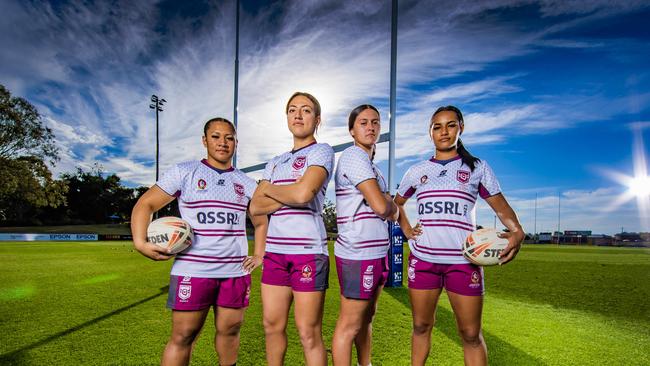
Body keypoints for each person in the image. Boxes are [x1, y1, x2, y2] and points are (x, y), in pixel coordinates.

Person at [393, 106, 524, 366]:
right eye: (437, 126)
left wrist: (517, 231)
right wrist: (407, 230)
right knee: (420, 326)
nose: (443, 131)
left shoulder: (476, 167)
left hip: (463, 262)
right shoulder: (417, 171)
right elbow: (396, 204)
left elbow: (500, 206)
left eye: (450, 125)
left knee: (470, 334)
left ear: (460, 128)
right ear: (430, 132)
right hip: (424, 260)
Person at [131, 117, 268, 366]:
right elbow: (145, 204)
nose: (222, 143)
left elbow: (260, 221)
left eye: (229, 138)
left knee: (230, 332)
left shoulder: (247, 184)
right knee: (183, 336)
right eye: (216, 136)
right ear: (205, 141)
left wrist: (259, 254)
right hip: (193, 271)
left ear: (236, 143)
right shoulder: (185, 172)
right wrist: (140, 242)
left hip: (235, 272)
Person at [249, 92, 335, 366]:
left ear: (317, 119)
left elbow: (303, 195)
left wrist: (268, 189)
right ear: (286, 117)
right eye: (292, 110)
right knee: (271, 326)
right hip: (275, 253)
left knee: (308, 333)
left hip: (308, 253)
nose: (298, 115)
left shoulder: (321, 151)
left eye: (306, 110)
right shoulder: (275, 161)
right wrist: (290, 190)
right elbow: (255, 209)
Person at [331, 104, 398, 366]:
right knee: (349, 325)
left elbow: (389, 208)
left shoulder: (374, 168)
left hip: (379, 252)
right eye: (363, 122)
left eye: (375, 122)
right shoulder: (353, 156)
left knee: (366, 319)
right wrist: (389, 204)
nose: (370, 127)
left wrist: (389, 205)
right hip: (358, 253)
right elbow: (385, 207)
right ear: (351, 130)